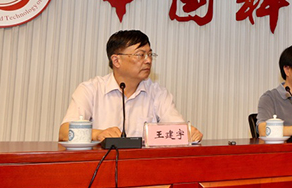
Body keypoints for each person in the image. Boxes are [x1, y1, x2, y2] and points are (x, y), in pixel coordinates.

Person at [59, 30, 202, 142]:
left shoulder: (158, 93)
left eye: (150, 54)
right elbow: (65, 132)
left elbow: (178, 129)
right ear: (116, 60)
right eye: (140, 55)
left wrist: (188, 133)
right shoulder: (90, 89)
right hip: (100, 164)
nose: (148, 60)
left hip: (144, 165)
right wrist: (97, 134)